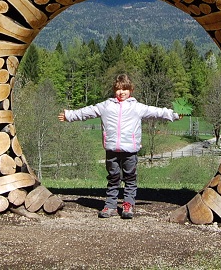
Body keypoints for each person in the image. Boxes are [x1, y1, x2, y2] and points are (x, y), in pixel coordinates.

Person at [58, 73, 180, 219]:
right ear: (114, 90)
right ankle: (110, 205)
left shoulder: (137, 107)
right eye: (118, 89)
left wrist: (175, 114)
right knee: (113, 178)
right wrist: (69, 115)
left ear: (131, 90)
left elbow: (157, 111)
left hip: (130, 150)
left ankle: (128, 205)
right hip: (111, 150)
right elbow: (87, 112)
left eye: (125, 89)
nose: (122, 92)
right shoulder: (106, 106)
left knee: (130, 178)